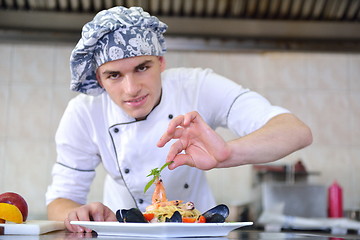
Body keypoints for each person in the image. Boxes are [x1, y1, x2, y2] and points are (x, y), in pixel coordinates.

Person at [46, 6, 312, 232]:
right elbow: (60, 200)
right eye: (114, 75)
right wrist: (79, 214)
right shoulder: (84, 113)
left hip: (199, 235)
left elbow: (296, 131)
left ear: (161, 62)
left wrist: (227, 152)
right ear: (99, 79)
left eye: (142, 68)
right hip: (124, 236)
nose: (131, 89)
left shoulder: (196, 86)